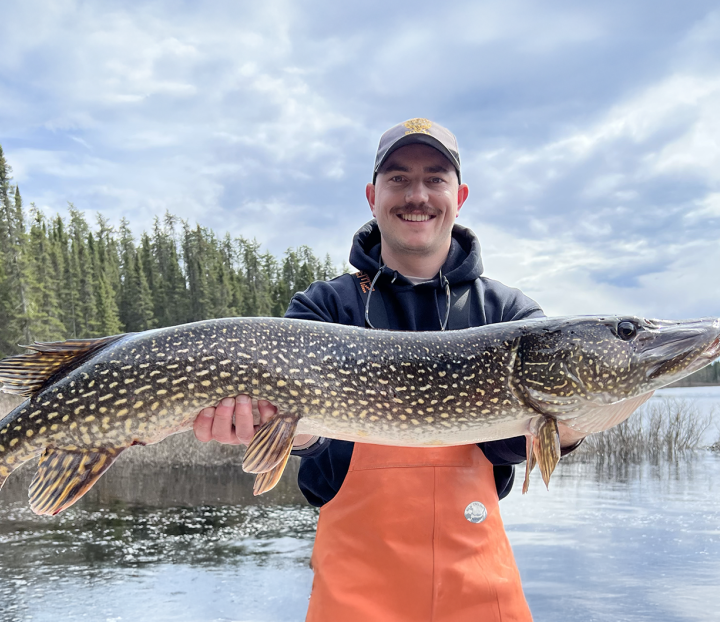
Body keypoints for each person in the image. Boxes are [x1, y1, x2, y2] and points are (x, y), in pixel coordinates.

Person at [193, 119, 587, 622]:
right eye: (398, 178)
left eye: (435, 179)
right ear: (372, 195)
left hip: (478, 589)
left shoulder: (509, 314)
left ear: (459, 195)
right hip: (355, 595)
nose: (416, 195)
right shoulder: (323, 308)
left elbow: (502, 449)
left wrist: (567, 429)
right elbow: (319, 467)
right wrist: (285, 434)